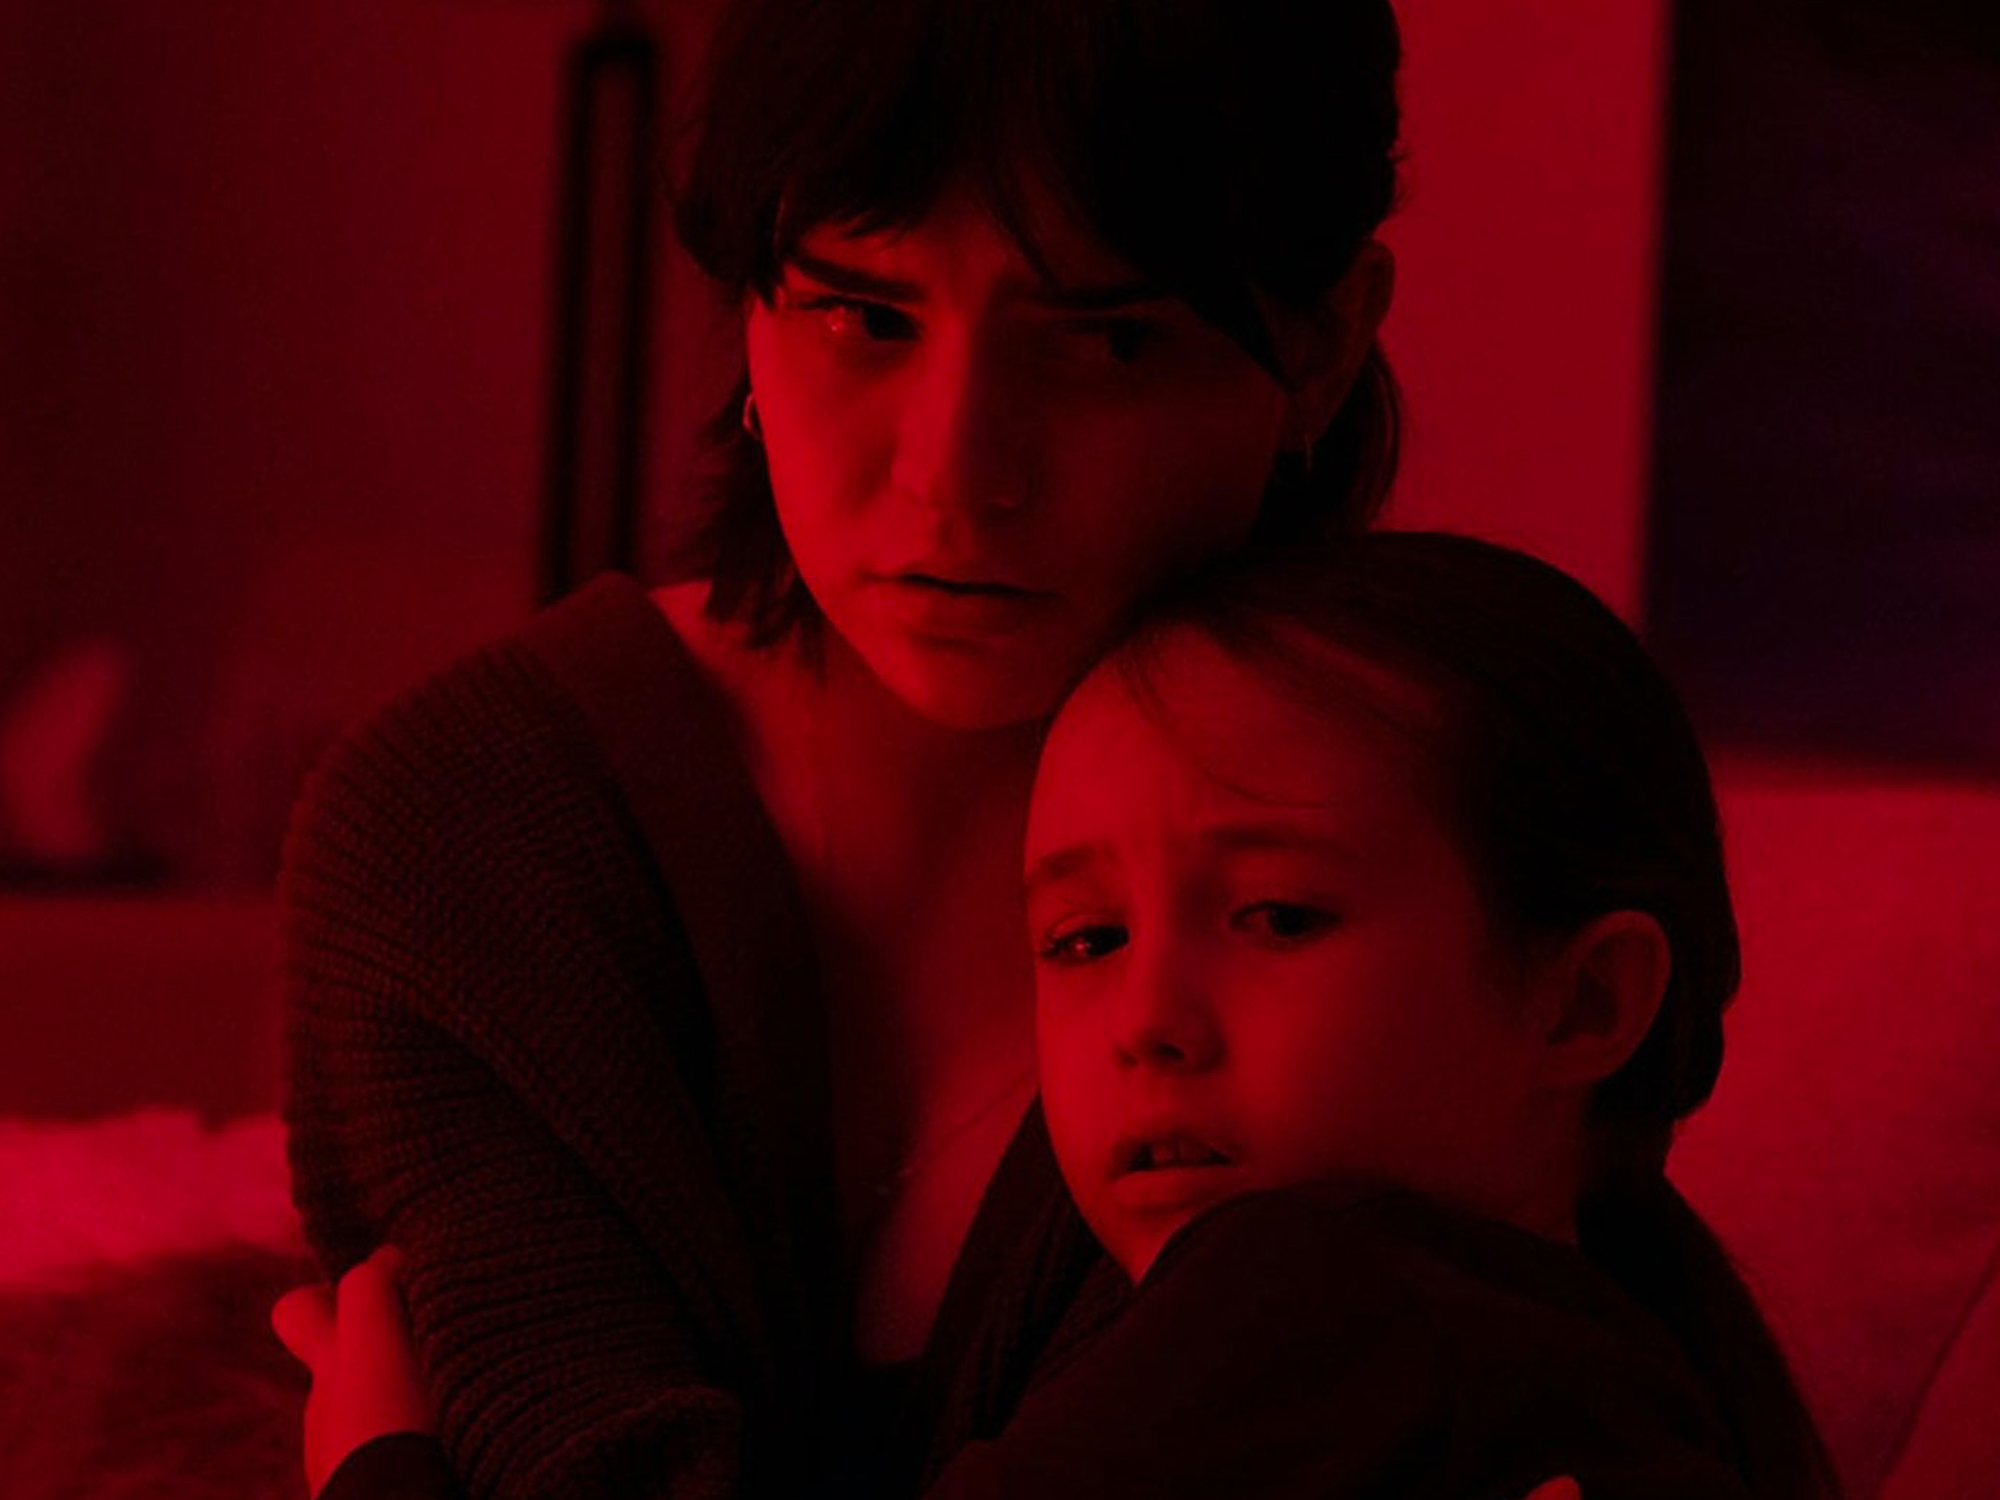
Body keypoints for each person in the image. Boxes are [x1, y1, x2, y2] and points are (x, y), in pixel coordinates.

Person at [274, 0, 1399, 1496]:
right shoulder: (470, 827)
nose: (953, 477)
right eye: (864, 316)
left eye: (1106, 340)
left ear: (1319, 347)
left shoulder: (1420, 865)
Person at [280, 534, 1843, 1500]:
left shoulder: (1315, 1300)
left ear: (1584, 1000)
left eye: (1276, 917)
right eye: (1084, 940)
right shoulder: (1636, 1387)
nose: (1146, 1022)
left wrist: (383, 1470)